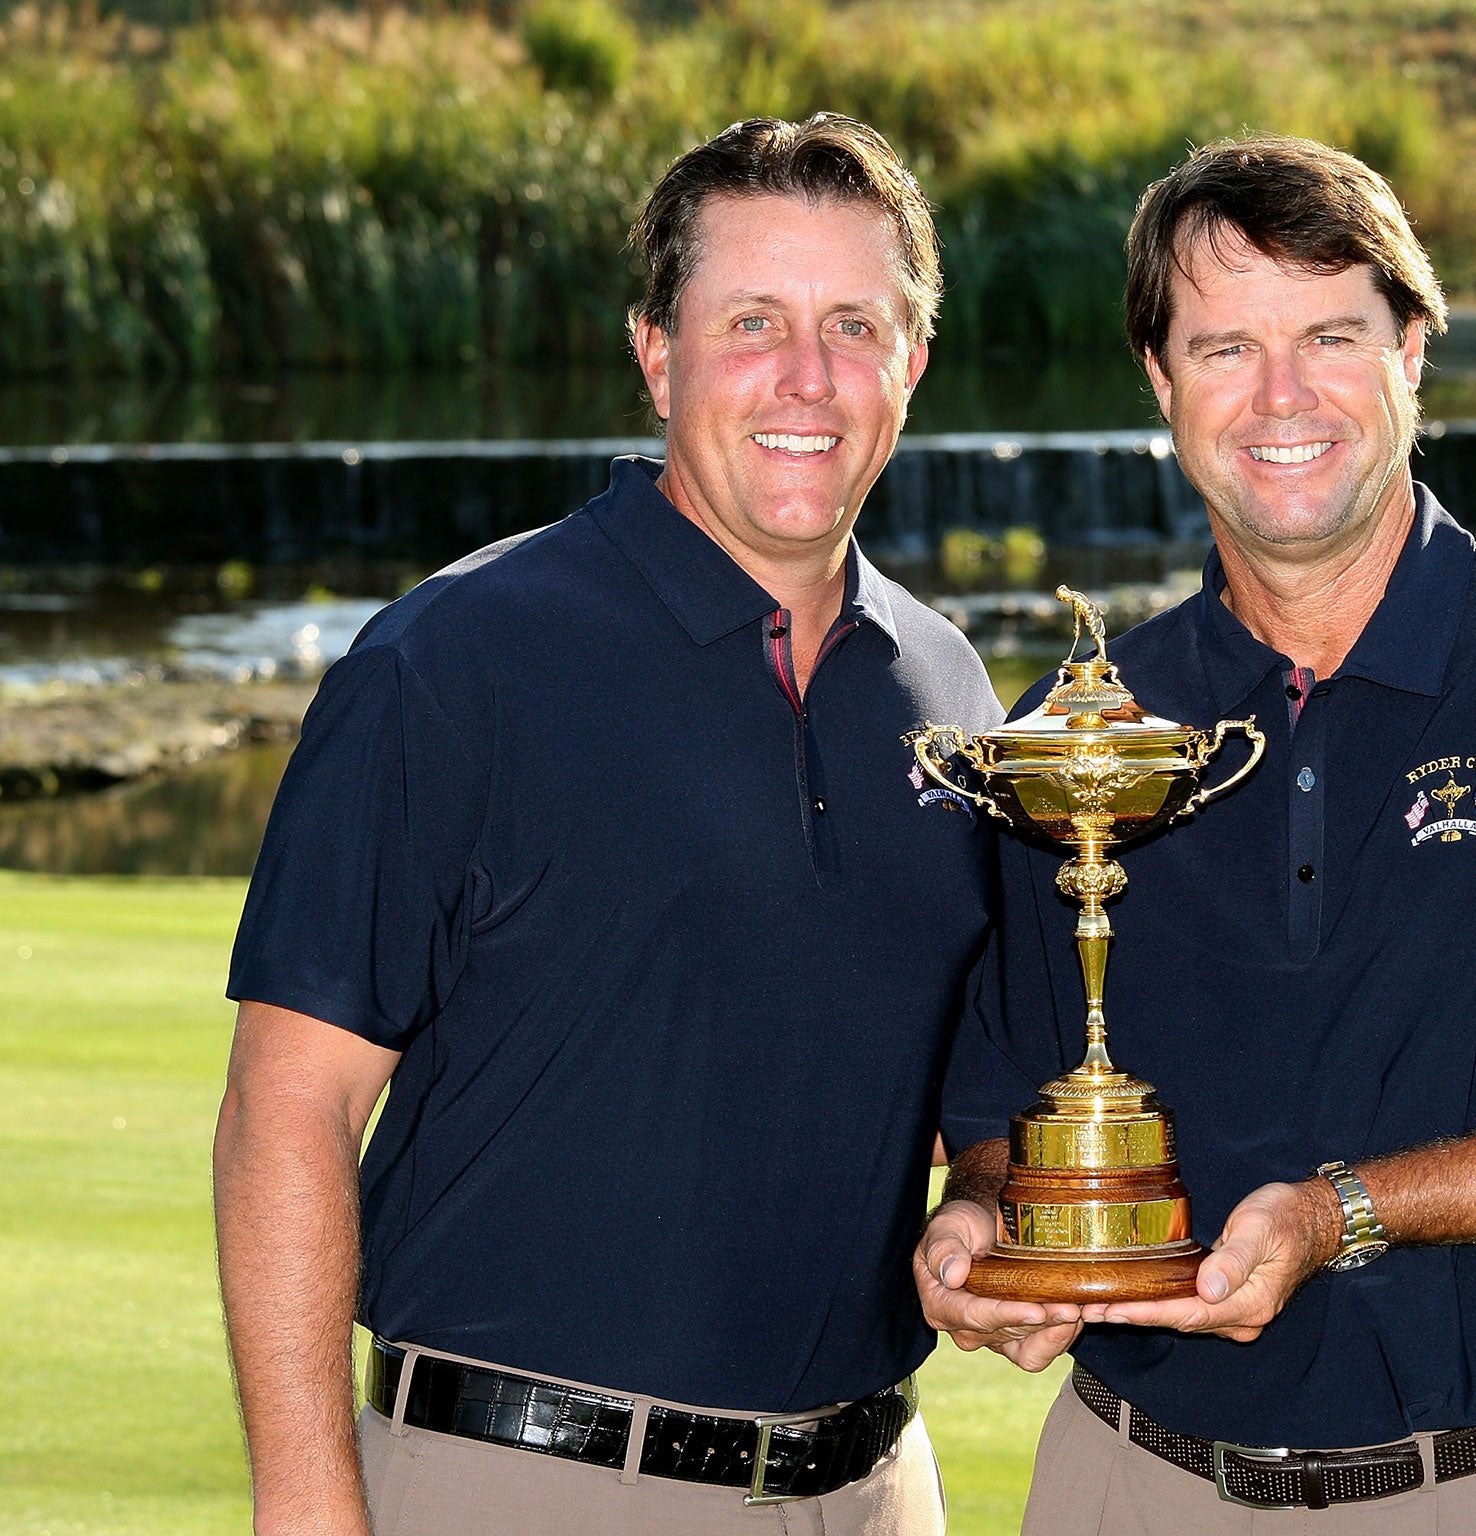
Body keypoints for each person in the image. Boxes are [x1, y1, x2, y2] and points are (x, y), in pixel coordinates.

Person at [919, 135, 1476, 1535]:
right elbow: (999, 1110)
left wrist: (1344, 1214)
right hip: (1124, 1484)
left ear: (1413, 350)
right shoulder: (1085, 735)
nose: (1280, 397)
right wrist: (987, 1228)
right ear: (1161, 382)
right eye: (1223, 348)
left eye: (1330, 334)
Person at [214, 114, 999, 1536]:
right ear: (656, 350)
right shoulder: (453, 662)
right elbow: (289, 1109)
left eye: (854, 326)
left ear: (913, 362)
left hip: (876, 1488)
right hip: (530, 1483)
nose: (806, 378)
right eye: (752, 320)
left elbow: (965, 1096)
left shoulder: (949, 693)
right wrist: (310, 1510)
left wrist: (993, 1206)